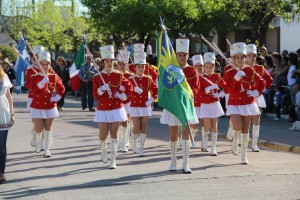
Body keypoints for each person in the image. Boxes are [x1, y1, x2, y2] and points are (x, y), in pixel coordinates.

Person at [222, 42, 265, 164]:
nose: (240, 60)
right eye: (237, 57)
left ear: (245, 58)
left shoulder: (250, 70)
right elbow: (227, 88)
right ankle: (235, 138)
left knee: (245, 129)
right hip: (234, 103)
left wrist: (256, 91)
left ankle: (243, 156)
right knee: (237, 126)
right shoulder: (229, 71)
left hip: (248, 103)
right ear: (233, 59)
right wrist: (236, 78)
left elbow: (261, 82)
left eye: (242, 57)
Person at [160, 38, 199, 173]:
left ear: (188, 56)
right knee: (173, 135)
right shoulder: (171, 69)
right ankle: (173, 161)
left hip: (186, 105)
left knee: (186, 133)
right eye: (180, 55)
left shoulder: (192, 70)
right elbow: (166, 84)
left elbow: (196, 87)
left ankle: (186, 163)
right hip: (173, 105)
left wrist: (187, 94)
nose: (182, 57)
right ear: (176, 55)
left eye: (185, 55)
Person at [93, 45, 132, 169]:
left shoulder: (119, 75)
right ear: (103, 62)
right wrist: (100, 89)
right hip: (103, 108)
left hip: (117, 107)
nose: (109, 63)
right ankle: (104, 149)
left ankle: (113, 160)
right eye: (107, 61)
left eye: (111, 61)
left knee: (114, 133)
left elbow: (129, 87)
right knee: (103, 134)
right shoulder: (97, 77)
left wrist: (122, 95)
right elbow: (94, 94)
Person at [28, 51, 65, 157]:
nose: (45, 66)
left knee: (48, 128)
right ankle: (38, 141)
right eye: (42, 64)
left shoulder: (53, 76)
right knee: (39, 128)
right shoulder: (34, 76)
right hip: (37, 105)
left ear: (50, 64)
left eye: (47, 64)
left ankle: (47, 149)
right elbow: (33, 90)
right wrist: (41, 82)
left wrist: (56, 97)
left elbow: (61, 88)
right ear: (39, 64)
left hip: (49, 106)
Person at [129, 51, 158, 156]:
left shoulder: (148, 79)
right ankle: (134, 142)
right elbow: (126, 91)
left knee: (144, 127)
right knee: (136, 127)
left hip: (145, 106)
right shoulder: (131, 79)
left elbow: (156, 90)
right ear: (135, 68)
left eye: (143, 67)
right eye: (139, 67)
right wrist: (133, 89)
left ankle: (141, 147)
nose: (141, 69)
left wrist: (151, 100)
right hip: (135, 106)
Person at [246, 44, 273, 152]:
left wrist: (260, 90)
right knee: (246, 120)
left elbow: (269, 80)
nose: (252, 58)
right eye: (249, 56)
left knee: (256, 119)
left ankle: (254, 144)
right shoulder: (241, 68)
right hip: (245, 97)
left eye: (254, 56)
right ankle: (242, 140)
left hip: (257, 96)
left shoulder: (260, 68)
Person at [198, 52, 225, 156]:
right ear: (204, 67)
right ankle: (204, 143)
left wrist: (221, 93)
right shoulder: (200, 77)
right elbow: (199, 92)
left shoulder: (217, 76)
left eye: (210, 67)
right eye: (206, 67)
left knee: (215, 126)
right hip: (205, 104)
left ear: (214, 67)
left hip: (214, 103)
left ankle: (213, 148)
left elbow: (225, 85)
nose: (208, 69)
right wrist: (208, 89)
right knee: (207, 125)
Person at [25, 45, 45, 148]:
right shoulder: (30, 69)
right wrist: (37, 83)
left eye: (38, 56)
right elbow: (28, 85)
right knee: (35, 120)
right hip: (33, 97)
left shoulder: (46, 68)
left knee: (44, 120)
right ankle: (34, 135)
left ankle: (41, 141)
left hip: (44, 98)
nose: (36, 58)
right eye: (35, 56)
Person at [0, 64, 15, 184]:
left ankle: (1, 173)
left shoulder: (4, 76)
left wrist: (12, 113)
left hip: (2, 114)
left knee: (1, 146)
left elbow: (9, 96)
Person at [116, 50, 132, 152]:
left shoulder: (130, 76)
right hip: (117, 101)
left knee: (126, 120)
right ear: (117, 65)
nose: (122, 66)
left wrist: (125, 95)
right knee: (118, 121)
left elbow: (131, 88)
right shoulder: (114, 75)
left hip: (128, 100)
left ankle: (125, 141)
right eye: (120, 64)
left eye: (124, 64)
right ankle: (119, 140)